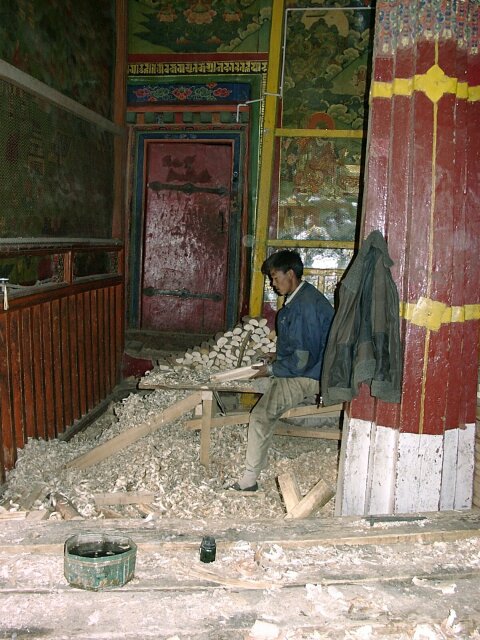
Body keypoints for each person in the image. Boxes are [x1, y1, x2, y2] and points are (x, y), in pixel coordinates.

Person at [228, 249, 334, 491]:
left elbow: (302, 361)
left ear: (290, 274)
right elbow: (303, 345)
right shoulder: (302, 298)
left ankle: (249, 481)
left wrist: (270, 369)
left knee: (260, 415)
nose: (273, 284)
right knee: (263, 386)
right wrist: (276, 357)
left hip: (310, 375)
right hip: (309, 366)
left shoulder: (304, 306)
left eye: (275, 278)